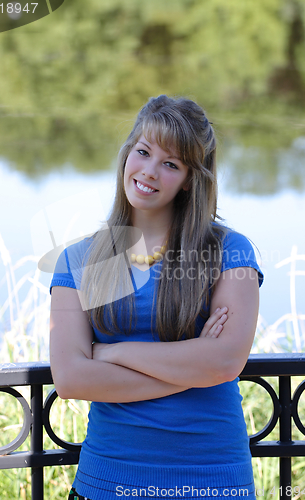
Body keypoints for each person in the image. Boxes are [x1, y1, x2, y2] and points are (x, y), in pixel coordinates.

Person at [49, 95, 264, 500]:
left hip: (212, 480)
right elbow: (71, 377)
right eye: (143, 152)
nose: (149, 171)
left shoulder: (229, 251)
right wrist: (191, 364)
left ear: (189, 179)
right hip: (108, 481)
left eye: (171, 163)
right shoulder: (82, 258)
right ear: (127, 152)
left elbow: (223, 361)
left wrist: (111, 352)